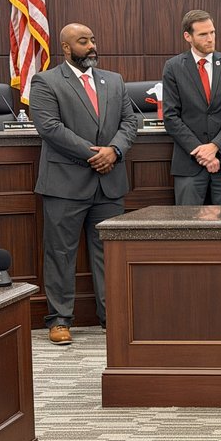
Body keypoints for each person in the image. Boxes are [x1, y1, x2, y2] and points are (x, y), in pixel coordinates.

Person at [29, 23, 139, 345]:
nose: (91, 46)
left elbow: (131, 121)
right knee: (60, 252)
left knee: (109, 252)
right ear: (66, 48)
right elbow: (49, 128)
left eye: (92, 40)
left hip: (109, 182)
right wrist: (96, 155)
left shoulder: (114, 80)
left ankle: (111, 317)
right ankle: (59, 319)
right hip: (65, 183)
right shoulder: (46, 81)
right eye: (83, 41)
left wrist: (114, 150)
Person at [163, 10, 221, 205]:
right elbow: (171, 117)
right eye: (203, 34)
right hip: (189, 163)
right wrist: (202, 153)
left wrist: (215, 146)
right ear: (188, 36)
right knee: (188, 222)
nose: (210, 39)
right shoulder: (173, 67)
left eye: (212, 32)